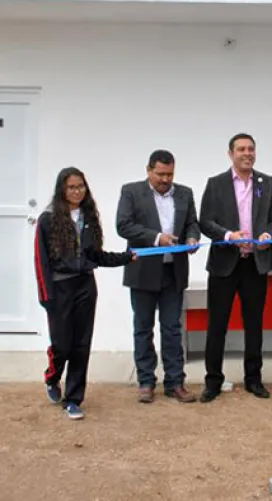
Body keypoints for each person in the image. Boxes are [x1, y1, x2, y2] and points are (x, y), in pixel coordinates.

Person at [34, 167, 135, 420]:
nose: (77, 191)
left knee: (81, 344)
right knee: (62, 344)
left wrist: (126, 257)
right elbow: (41, 261)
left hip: (85, 287)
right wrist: (46, 296)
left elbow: (95, 256)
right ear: (62, 190)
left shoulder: (89, 218)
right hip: (59, 288)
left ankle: (74, 399)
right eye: (71, 187)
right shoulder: (47, 219)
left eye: (81, 186)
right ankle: (52, 377)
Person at [198, 133, 272, 403]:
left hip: (255, 265)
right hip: (224, 264)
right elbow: (205, 221)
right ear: (230, 154)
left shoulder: (266, 183)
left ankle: (254, 379)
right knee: (217, 324)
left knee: (254, 324)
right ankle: (213, 381)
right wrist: (227, 235)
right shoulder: (216, 184)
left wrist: (268, 235)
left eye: (251, 149)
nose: (247, 153)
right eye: (241, 149)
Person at [116, 150, 201, 404]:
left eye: (170, 174)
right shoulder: (131, 192)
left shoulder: (185, 193)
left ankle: (175, 382)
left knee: (173, 329)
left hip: (173, 272)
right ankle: (146, 381)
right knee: (143, 328)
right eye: (160, 174)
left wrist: (192, 238)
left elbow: (192, 223)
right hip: (142, 271)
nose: (165, 179)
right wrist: (157, 238)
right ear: (148, 170)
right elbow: (123, 225)